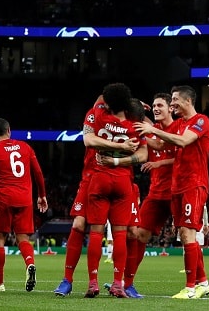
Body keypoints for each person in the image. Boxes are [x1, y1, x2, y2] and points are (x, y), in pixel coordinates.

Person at [134, 85, 209, 299]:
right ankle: (203, 283)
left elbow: (183, 141)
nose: (172, 104)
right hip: (178, 186)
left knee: (189, 234)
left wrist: (153, 129)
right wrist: (139, 119)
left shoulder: (201, 121)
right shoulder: (179, 123)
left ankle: (190, 288)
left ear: (188, 101)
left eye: (175, 100)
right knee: (184, 234)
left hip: (194, 184)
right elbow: (161, 145)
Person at [82, 83, 146, 298]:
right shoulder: (134, 125)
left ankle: (93, 282)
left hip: (99, 179)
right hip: (123, 181)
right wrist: (124, 153)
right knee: (120, 235)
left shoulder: (98, 115)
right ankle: (118, 283)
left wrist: (111, 148)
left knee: (96, 232)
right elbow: (144, 155)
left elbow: (88, 139)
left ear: (108, 102)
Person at [0, 117, 48, 292]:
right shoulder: (25, 147)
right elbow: (38, 172)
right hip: (25, 200)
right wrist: (42, 195)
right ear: (9, 130)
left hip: (4, 199)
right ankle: (30, 264)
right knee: (23, 238)